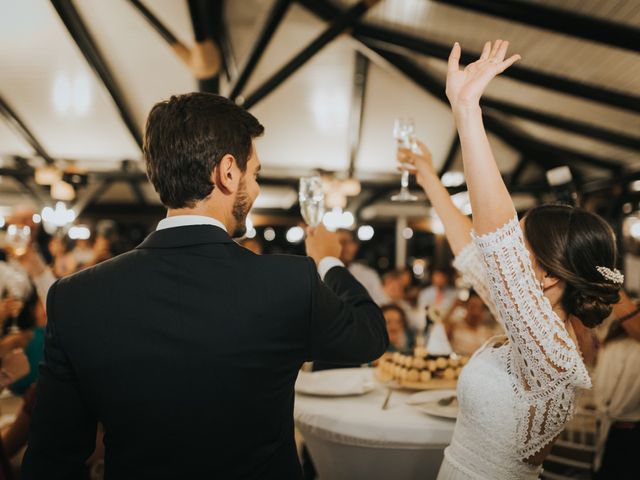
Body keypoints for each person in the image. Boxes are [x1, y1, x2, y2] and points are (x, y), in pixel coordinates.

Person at [22, 93, 388, 480]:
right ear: (228, 172)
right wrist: (329, 260)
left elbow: (50, 459)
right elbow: (369, 336)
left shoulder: (76, 297)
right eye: (256, 174)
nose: (257, 187)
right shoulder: (288, 282)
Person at [400, 40, 622, 479]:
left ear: (545, 276)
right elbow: (471, 247)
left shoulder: (553, 353)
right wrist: (427, 176)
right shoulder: (530, 327)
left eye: (520, 247)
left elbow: (493, 237)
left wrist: (467, 112)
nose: (504, 254)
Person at [592, 290, 640, 480]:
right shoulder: (621, 316)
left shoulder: (628, 313)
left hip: (632, 432)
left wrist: (606, 283)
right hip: (605, 424)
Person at [336, 229, 387, 305]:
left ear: (355, 246)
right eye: (341, 242)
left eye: (349, 243)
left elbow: (380, 303)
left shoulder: (368, 274)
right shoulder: (319, 273)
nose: (345, 248)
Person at [443, 290, 497, 356]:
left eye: (479, 308)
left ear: (483, 312)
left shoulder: (487, 333)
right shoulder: (455, 326)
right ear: (466, 307)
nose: (475, 312)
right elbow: (442, 332)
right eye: (472, 307)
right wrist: (453, 307)